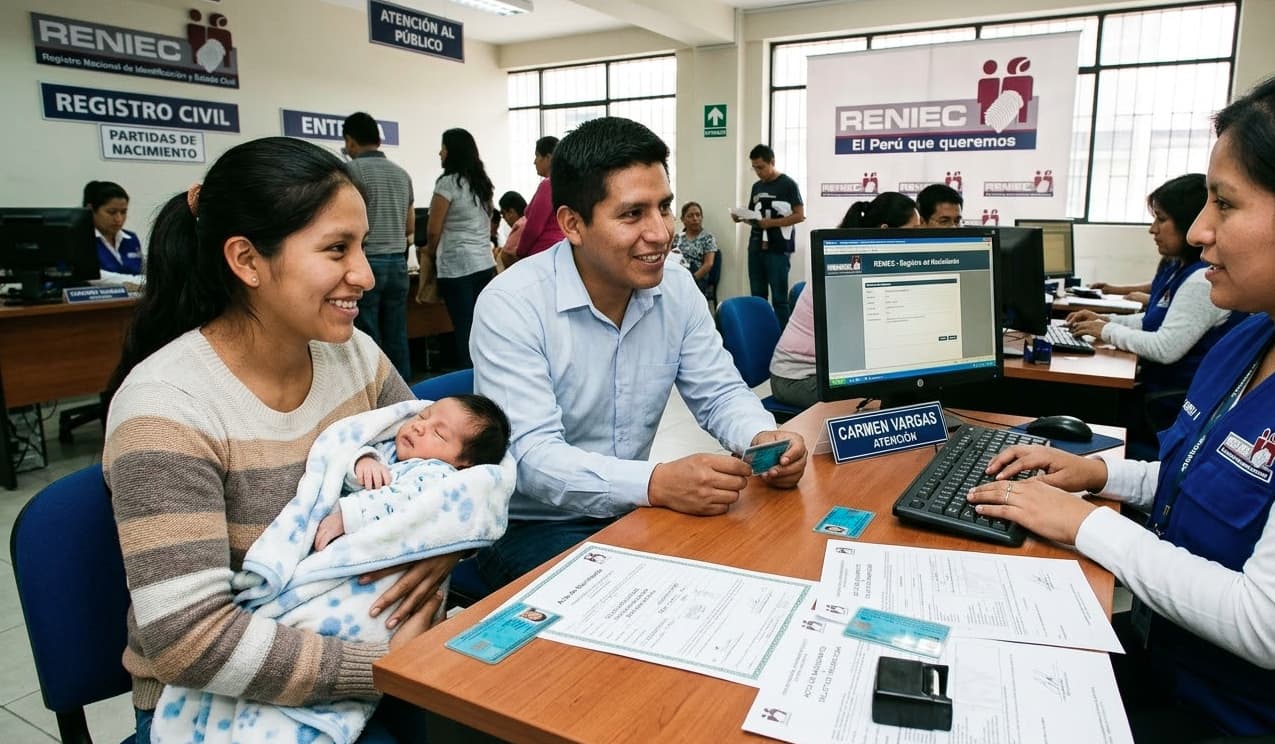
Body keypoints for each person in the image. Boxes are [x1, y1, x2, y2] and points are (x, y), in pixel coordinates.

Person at [104, 136, 459, 744]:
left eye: (363, 245)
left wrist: (446, 542)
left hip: (371, 666)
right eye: (336, 249)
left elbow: (438, 478)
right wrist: (385, 666)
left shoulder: (355, 357)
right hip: (220, 708)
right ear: (246, 260)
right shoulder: (166, 408)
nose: (367, 275)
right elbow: (188, 639)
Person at [968, 78, 1275, 742]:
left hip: (1233, 716)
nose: (1198, 231)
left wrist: (1084, 526)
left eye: (1223, 203)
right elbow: (1200, 477)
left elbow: (1263, 623)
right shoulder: (1249, 336)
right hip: (1171, 660)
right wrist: (1101, 475)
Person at [469, 117, 808, 589]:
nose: (661, 232)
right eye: (632, 215)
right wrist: (656, 483)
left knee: (751, 569)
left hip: (629, 506)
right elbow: (532, 459)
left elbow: (720, 393)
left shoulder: (676, 286)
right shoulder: (513, 304)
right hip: (531, 524)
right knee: (631, 609)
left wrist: (762, 438)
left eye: (663, 207)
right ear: (572, 224)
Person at [1067, 174, 1247, 448]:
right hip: (1157, 395)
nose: (1153, 229)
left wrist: (1107, 330)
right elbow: (1156, 320)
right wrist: (1107, 321)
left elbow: (1165, 347)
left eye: (1161, 219)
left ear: (1186, 222)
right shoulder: (1179, 269)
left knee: (1083, 406)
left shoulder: (1201, 280)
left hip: (1167, 406)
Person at [769, 193, 920, 409]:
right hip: (798, 379)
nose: (921, 238)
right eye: (914, 232)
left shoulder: (876, 266)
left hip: (828, 373)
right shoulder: (847, 271)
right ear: (886, 231)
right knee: (893, 400)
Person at [314, 394, 511, 550]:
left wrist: (346, 518)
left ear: (465, 464)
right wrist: (363, 460)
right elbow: (342, 469)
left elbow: (400, 501)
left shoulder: (438, 474)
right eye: (423, 415)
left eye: (438, 433)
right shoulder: (391, 448)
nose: (419, 426)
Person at [343, 112, 414, 381]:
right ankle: (405, 396)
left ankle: (374, 396)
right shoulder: (401, 174)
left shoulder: (350, 172)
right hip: (398, 264)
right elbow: (409, 227)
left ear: (350, 141)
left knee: (367, 339)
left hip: (367, 262)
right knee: (398, 335)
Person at [425, 128, 497, 369]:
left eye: (443, 148)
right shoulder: (481, 184)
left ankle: (470, 385)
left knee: (465, 328)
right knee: (486, 327)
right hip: (485, 263)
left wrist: (429, 252)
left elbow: (433, 229)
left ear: (452, 152)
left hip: (457, 267)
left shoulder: (447, 184)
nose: (439, 152)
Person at [736, 144, 805, 325]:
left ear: (772, 162)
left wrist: (773, 223)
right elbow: (754, 216)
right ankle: (760, 333)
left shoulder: (788, 184)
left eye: (761, 167)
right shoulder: (757, 187)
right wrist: (741, 217)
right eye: (754, 168)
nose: (758, 172)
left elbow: (799, 215)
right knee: (757, 296)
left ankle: (783, 338)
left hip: (778, 248)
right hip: (756, 246)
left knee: (780, 298)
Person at [83, 180, 144, 285]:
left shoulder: (130, 238)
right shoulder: (80, 240)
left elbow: (144, 269)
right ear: (90, 209)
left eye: (123, 212)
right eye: (112, 212)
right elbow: (94, 277)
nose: (119, 219)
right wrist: (138, 282)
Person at [515, 135, 566, 261]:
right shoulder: (567, 183)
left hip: (543, 252)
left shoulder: (548, 185)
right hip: (561, 250)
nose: (534, 161)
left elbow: (534, 228)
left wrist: (520, 251)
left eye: (537, 156)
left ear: (548, 158)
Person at [670, 201, 718, 299]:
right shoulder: (678, 238)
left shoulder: (707, 238)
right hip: (677, 275)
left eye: (698, 215)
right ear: (683, 219)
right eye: (690, 216)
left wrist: (691, 279)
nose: (695, 219)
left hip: (697, 277)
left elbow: (708, 264)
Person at [497, 190, 528, 267]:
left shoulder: (520, 225)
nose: (504, 219)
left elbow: (506, 254)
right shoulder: (531, 221)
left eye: (503, 214)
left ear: (511, 212)